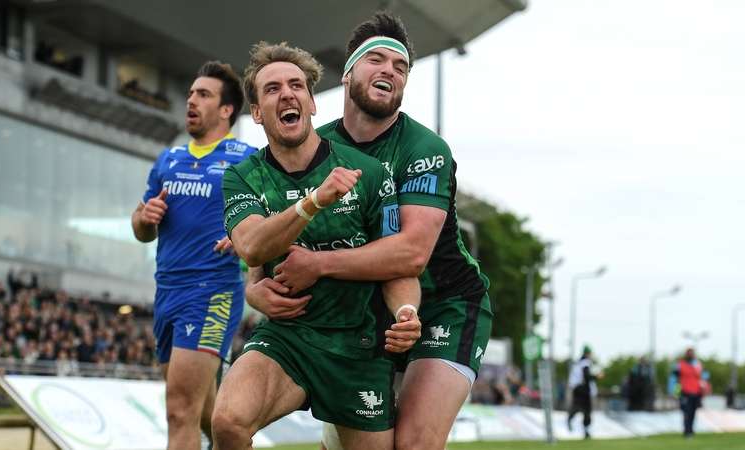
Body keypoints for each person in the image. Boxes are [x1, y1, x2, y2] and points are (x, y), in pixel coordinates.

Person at [245, 12, 493, 450]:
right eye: (376, 60)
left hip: (443, 306)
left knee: (413, 442)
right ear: (347, 73)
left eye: (400, 68)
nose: (389, 71)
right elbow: (276, 229)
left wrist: (318, 265)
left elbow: (411, 254)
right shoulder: (311, 144)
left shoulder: (424, 148)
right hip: (362, 308)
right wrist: (255, 285)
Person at [211, 42, 422, 450]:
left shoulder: (370, 173)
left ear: (311, 102)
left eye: (296, 86)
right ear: (255, 112)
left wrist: (407, 311)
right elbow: (252, 247)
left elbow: (398, 266)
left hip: (358, 347)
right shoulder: (242, 178)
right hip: (287, 339)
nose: (287, 94)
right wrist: (311, 203)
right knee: (228, 420)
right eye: (272, 89)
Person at [131, 60, 257, 449]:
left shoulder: (246, 158)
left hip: (212, 289)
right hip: (166, 292)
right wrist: (145, 217)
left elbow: (277, 219)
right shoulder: (169, 160)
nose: (191, 99)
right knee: (206, 414)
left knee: (179, 411)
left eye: (203, 94)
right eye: (190, 93)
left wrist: (248, 237)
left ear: (226, 110)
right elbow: (141, 230)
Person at [668, 348, 709, 439]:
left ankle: (691, 430)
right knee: (686, 412)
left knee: (693, 412)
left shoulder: (698, 365)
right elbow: (673, 378)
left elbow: (706, 375)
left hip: (696, 393)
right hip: (685, 392)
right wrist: (671, 391)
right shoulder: (680, 365)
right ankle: (687, 431)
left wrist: (704, 384)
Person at [567, 346, 603, 439]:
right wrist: (597, 376)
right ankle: (585, 429)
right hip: (583, 389)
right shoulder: (586, 363)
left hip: (576, 388)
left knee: (577, 406)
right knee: (587, 410)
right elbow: (587, 376)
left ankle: (570, 418)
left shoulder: (577, 364)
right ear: (587, 354)